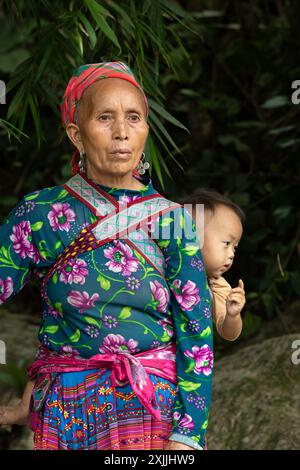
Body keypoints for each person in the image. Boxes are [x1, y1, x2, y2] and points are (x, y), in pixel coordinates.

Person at [0, 62, 213, 450]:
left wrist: (188, 436)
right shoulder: (41, 214)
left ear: (146, 131)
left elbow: (196, 332)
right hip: (66, 413)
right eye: (104, 118)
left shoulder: (173, 220)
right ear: (76, 135)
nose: (121, 132)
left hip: (152, 415)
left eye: (134, 117)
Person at [181, 189, 246, 341]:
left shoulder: (217, 286)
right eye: (227, 243)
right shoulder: (162, 266)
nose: (232, 254)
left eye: (235, 247)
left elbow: (228, 333)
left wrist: (233, 314)